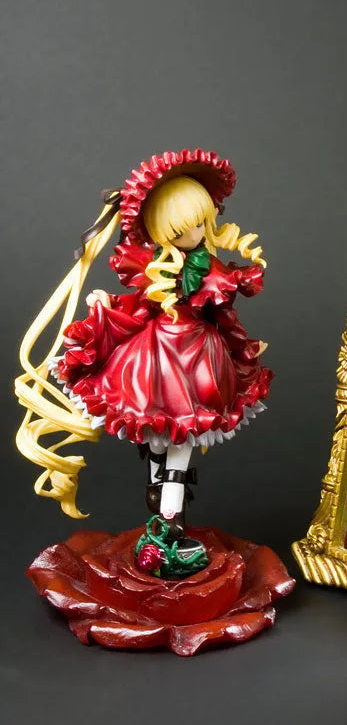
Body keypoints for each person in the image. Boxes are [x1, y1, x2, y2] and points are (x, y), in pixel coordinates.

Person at [16, 149, 272, 556]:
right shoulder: (153, 267)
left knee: (184, 434)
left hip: (200, 361)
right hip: (156, 359)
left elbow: (224, 317)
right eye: (185, 226)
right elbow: (137, 309)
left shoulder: (213, 271)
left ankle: (170, 519)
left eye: (202, 222)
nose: (197, 232)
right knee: (158, 432)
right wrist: (104, 308)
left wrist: (242, 350)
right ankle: (161, 502)